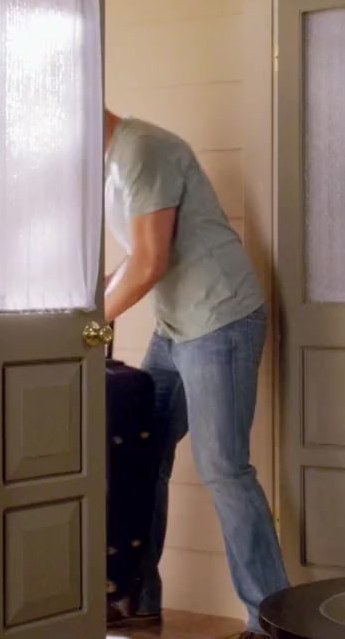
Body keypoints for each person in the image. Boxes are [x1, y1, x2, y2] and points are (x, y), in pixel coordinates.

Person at [102, 109, 288, 637]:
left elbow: (149, 262)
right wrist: (89, 299)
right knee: (144, 453)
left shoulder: (142, 149)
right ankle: (137, 597)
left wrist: (90, 324)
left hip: (220, 318)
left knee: (223, 467)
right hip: (175, 326)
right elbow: (135, 258)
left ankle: (270, 620)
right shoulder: (112, 162)